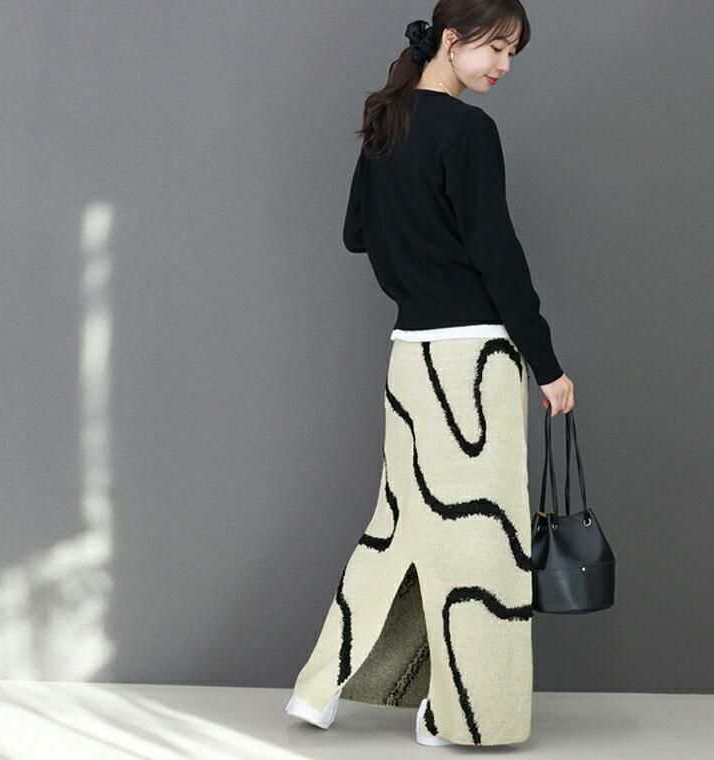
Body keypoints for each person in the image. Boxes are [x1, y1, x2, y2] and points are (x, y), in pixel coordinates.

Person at [285, 0, 575, 747]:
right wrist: (546, 364)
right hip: (475, 360)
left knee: (400, 526)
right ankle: (463, 714)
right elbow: (497, 254)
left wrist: (411, 242)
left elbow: (356, 233)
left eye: (513, 53)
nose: (504, 66)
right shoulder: (469, 132)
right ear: (452, 39)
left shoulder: (387, 123)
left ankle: (320, 688)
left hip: (410, 356)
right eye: (496, 48)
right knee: (480, 542)